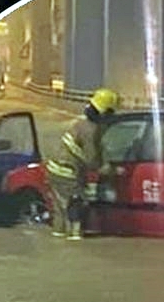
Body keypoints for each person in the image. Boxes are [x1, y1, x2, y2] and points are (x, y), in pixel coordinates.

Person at [44, 87, 119, 239]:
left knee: (60, 209)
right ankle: (75, 238)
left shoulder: (80, 124)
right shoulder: (91, 131)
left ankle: (59, 236)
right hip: (67, 172)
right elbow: (92, 161)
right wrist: (111, 171)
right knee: (76, 205)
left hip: (53, 169)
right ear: (105, 113)